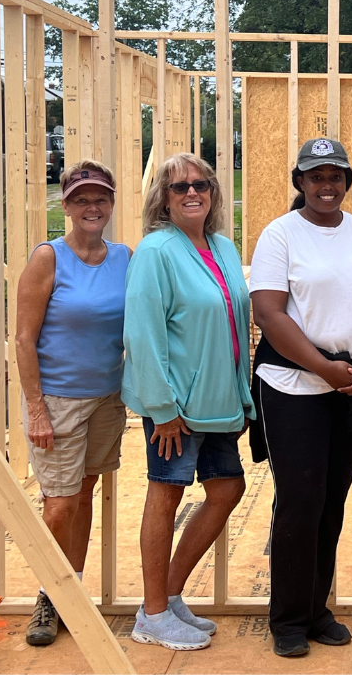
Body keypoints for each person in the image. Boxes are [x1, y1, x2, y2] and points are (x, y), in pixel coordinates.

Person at [248, 138, 352, 658]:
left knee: (330, 501)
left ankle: (316, 609)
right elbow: (269, 314)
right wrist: (323, 369)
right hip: (295, 386)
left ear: (347, 182)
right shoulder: (280, 235)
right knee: (300, 501)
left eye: (336, 175)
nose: (327, 185)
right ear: (300, 182)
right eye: (316, 176)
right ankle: (288, 618)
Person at [123, 153, 254, 651]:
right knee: (167, 493)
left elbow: (236, 324)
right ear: (164, 198)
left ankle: (167, 594)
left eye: (201, 184)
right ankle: (153, 613)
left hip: (219, 403)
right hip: (176, 410)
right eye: (180, 188)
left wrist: (242, 396)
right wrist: (162, 406)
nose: (192, 192)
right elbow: (143, 332)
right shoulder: (155, 252)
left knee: (227, 490)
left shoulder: (222, 246)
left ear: (214, 193)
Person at [15, 160, 130, 647]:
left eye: (100, 198)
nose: (92, 206)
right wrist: (35, 408)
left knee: (82, 493)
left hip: (106, 397)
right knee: (58, 504)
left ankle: (73, 591)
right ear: (65, 205)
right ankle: (49, 592)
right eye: (81, 198)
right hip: (57, 400)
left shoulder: (124, 257)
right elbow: (24, 338)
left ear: (110, 204)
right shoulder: (48, 258)